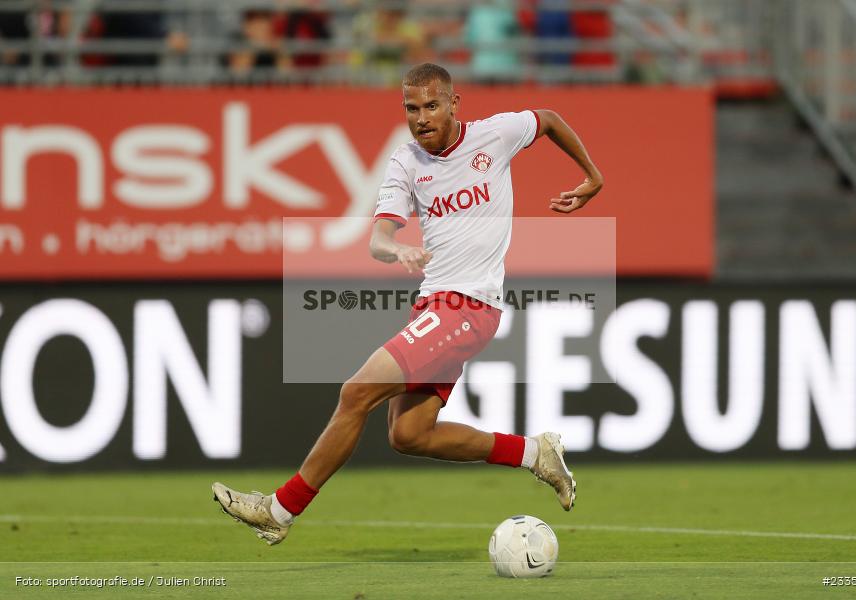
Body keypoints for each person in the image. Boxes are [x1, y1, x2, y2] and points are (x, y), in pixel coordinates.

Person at [213, 63, 603, 546]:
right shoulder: (406, 161)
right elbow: (379, 237)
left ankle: (279, 510)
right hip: (432, 308)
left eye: (432, 105)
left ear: (455, 104)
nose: (422, 118)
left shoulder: (495, 135)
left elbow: (546, 118)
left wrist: (592, 177)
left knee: (357, 392)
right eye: (411, 108)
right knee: (410, 435)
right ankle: (533, 453)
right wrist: (395, 248)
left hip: (469, 307)